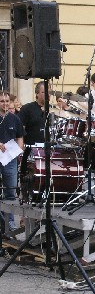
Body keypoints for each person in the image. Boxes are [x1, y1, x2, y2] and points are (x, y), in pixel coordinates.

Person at [0, 91, 25, 231]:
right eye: (2, 101)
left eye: (7, 101)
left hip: (10, 159)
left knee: (10, 192)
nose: (5, 104)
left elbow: (20, 136)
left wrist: (19, 149)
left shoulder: (14, 119)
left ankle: (9, 223)